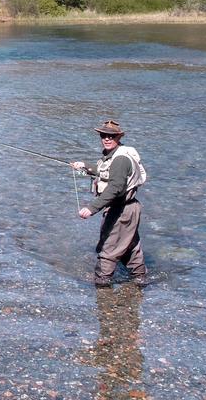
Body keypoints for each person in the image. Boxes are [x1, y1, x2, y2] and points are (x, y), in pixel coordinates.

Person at [71, 120, 148, 288]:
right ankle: (140, 283)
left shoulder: (120, 159)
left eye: (111, 136)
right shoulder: (115, 154)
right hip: (129, 209)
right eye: (103, 135)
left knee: (107, 250)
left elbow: (115, 188)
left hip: (121, 210)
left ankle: (102, 288)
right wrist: (86, 167)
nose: (107, 138)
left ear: (118, 137)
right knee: (130, 247)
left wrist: (92, 208)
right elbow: (106, 172)